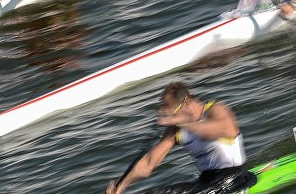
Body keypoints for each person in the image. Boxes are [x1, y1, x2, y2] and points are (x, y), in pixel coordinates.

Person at [105, 82, 256, 194]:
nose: (168, 115)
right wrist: (120, 187)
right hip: (205, 181)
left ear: (187, 103)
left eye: (170, 110)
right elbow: (148, 162)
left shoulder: (216, 110)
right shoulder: (176, 129)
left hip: (234, 178)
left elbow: (213, 131)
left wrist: (182, 121)